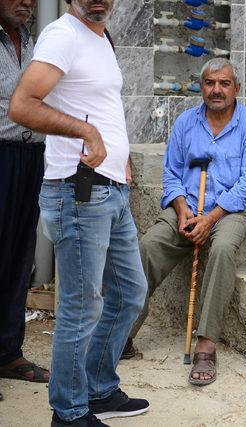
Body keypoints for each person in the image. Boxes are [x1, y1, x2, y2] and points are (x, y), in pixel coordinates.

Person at [9, 0, 149, 425]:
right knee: (80, 307)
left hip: (111, 189)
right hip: (77, 192)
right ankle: (68, 413)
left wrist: (119, 157)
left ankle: (99, 388)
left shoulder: (102, 37)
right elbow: (22, 104)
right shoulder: (62, 36)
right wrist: (85, 130)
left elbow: (101, 103)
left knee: (129, 293)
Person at [126, 58, 246, 386]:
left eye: (223, 84)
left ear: (236, 88)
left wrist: (213, 217)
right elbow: (171, 172)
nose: (216, 90)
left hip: (233, 210)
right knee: (149, 244)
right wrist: (180, 208)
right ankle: (124, 331)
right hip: (188, 206)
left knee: (221, 249)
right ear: (201, 86)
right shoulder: (185, 123)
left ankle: (206, 343)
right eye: (209, 83)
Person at [0, 0, 50, 389]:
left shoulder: (35, 42)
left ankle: (8, 353)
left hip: (31, 157)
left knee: (19, 255)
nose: (26, 2)